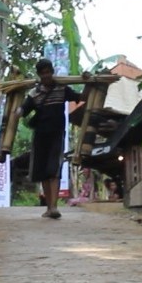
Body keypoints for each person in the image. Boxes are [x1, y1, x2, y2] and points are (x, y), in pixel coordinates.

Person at [17, 58, 88, 219]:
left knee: (54, 171)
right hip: (40, 136)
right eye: (43, 73)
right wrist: (17, 112)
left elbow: (81, 97)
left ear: (52, 72)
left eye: (48, 72)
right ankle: (49, 207)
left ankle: (54, 207)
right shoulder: (34, 93)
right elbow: (23, 109)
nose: (46, 76)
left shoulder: (62, 89)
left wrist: (89, 81)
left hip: (57, 135)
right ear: (39, 75)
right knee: (42, 172)